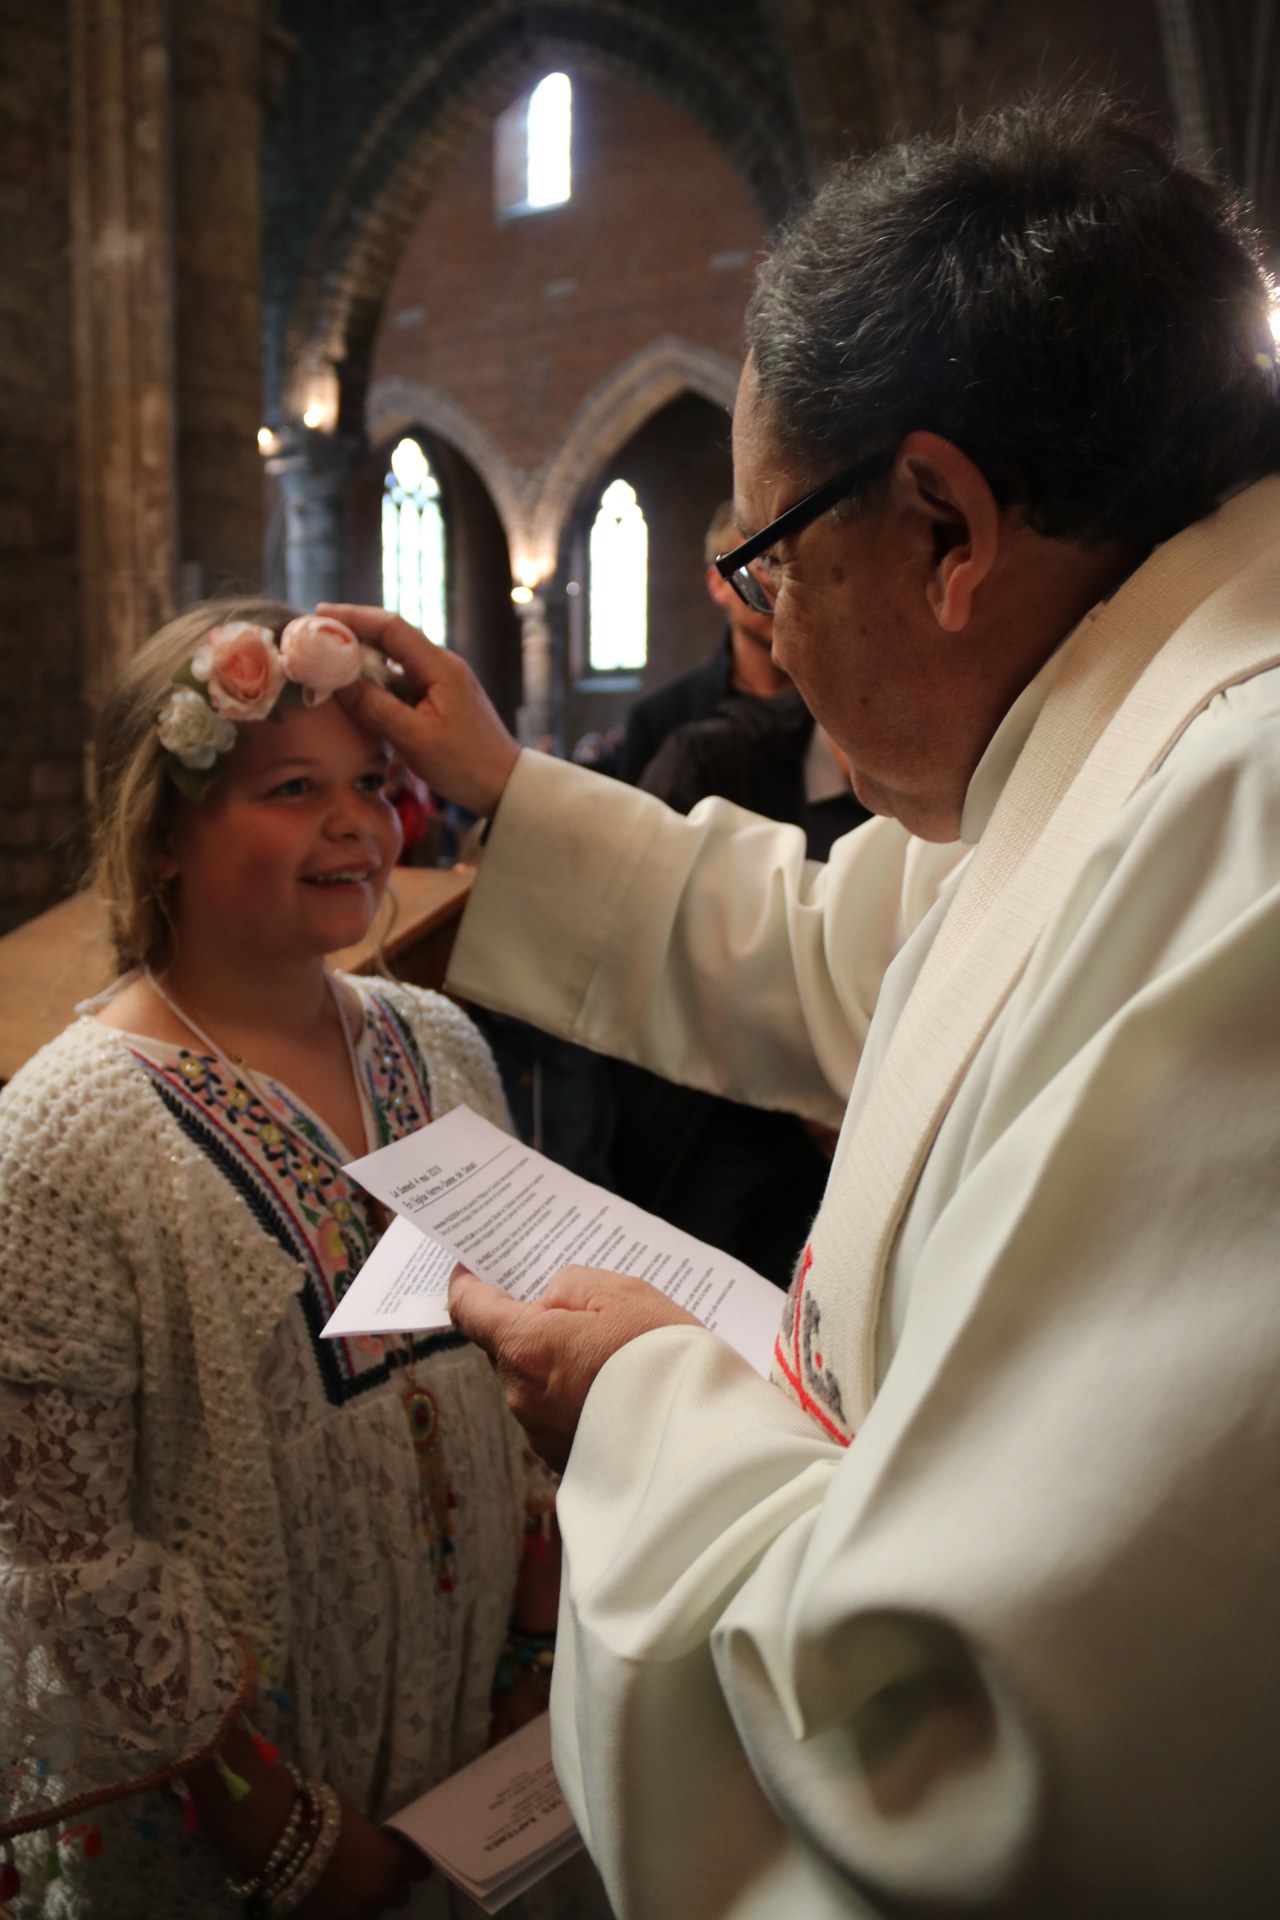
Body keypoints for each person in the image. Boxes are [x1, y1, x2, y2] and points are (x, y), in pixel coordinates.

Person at [331, 96, 1280, 1919]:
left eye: (763, 560)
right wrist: (506, 792)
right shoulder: (1147, 732)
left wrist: (642, 1416)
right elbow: (875, 952)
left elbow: (979, 1748)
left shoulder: (1236, 822)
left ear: (942, 527)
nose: (758, 626)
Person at [0, 603, 569, 1918]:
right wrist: (291, 1836)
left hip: (473, 1736)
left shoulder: (439, 1052)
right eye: (293, 789)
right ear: (165, 841)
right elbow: (67, 1553)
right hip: (234, 1807)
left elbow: (518, 1373)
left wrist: (530, 1669)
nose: (358, 823)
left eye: (372, 784)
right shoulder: (69, 1130)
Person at [616, 502, 790, 784]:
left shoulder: (836, 711)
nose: (778, 586)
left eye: (787, 562)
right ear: (719, 584)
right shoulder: (661, 720)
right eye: (761, 562)